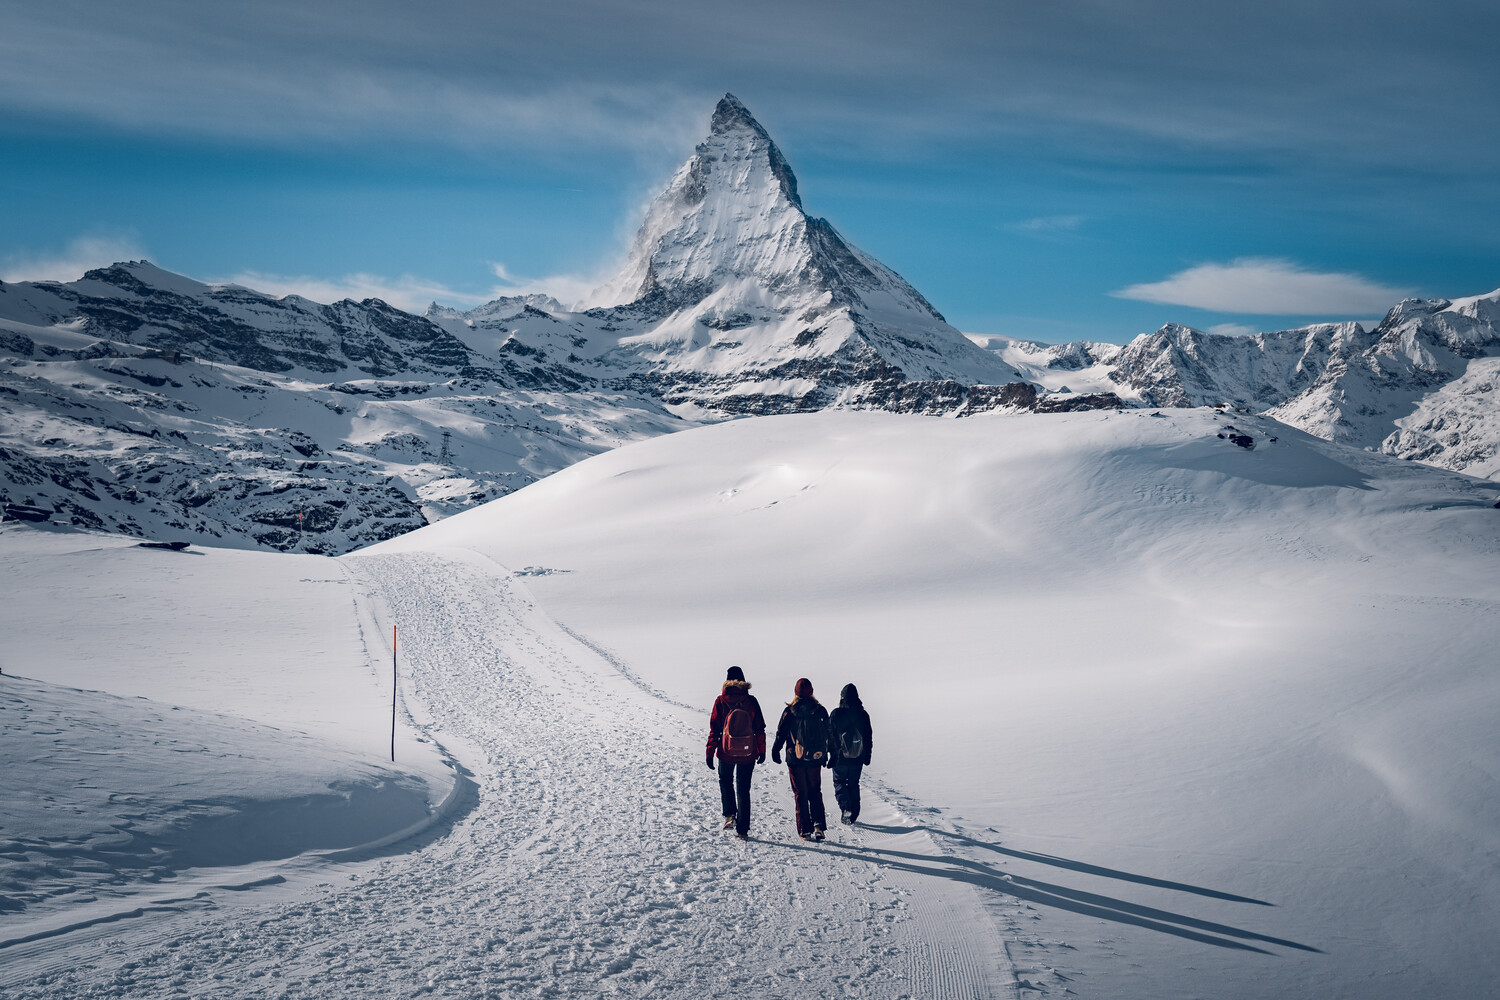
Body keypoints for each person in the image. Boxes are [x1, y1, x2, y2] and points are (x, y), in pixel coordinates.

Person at [706, 665, 766, 840]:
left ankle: (730, 814)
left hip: (726, 751)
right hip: (748, 753)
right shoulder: (751, 701)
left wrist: (710, 751)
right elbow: (759, 728)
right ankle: (743, 830)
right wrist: (761, 750)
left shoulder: (721, 700)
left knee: (725, 781)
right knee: (743, 787)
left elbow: (714, 729)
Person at [771, 678, 830, 842]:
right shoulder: (820, 710)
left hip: (795, 758)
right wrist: (831, 753)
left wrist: (776, 750)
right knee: (815, 791)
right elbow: (829, 732)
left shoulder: (789, 711)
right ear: (811, 691)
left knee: (800, 793)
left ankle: (805, 830)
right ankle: (818, 826)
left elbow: (781, 733)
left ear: (795, 692)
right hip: (815, 758)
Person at [828, 683, 873, 824]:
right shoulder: (863, 714)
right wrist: (867, 756)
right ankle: (855, 812)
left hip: (840, 758)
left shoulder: (836, 713)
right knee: (854, 783)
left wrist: (831, 755)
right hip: (858, 757)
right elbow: (868, 737)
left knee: (839, 782)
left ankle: (846, 808)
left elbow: (830, 736)